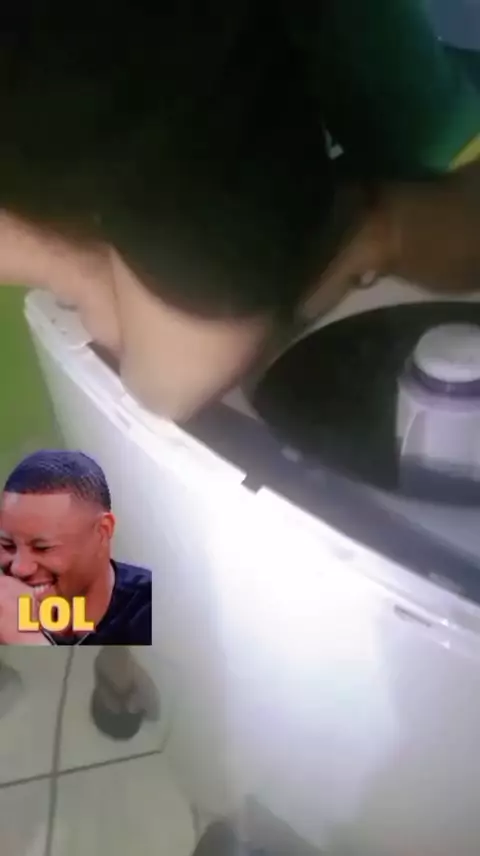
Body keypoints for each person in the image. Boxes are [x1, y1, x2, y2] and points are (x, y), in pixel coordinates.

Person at [0, 2, 478, 419]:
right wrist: (72, 268)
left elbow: (172, 383)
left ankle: (379, 218)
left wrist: (80, 270)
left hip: (151, 65)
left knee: (165, 384)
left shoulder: (130, 64)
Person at [0, 449, 152, 645]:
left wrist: (25, 639)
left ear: (102, 531)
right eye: (7, 545)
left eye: (43, 548)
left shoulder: (159, 616)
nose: (19, 568)